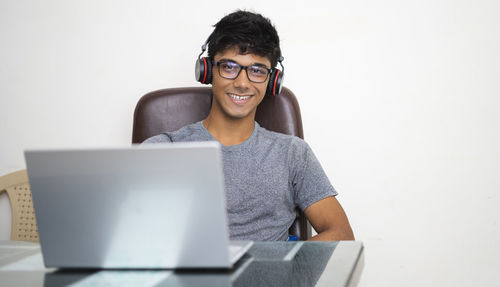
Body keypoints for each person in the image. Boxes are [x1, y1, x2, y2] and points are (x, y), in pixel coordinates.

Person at [144, 10, 354, 241]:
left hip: (272, 276)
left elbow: (341, 234)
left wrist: (282, 267)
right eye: (229, 66)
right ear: (207, 70)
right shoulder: (164, 150)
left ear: (272, 80)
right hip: (193, 275)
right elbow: (129, 235)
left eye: (257, 70)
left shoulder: (293, 153)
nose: (242, 83)